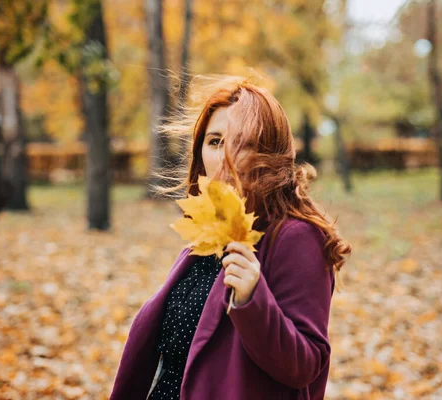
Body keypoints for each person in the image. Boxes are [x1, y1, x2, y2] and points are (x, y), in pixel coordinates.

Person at [110, 76, 351, 400]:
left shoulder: (295, 238)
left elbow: (305, 366)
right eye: (214, 141)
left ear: (269, 155)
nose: (224, 156)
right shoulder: (208, 236)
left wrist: (252, 300)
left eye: (242, 142)